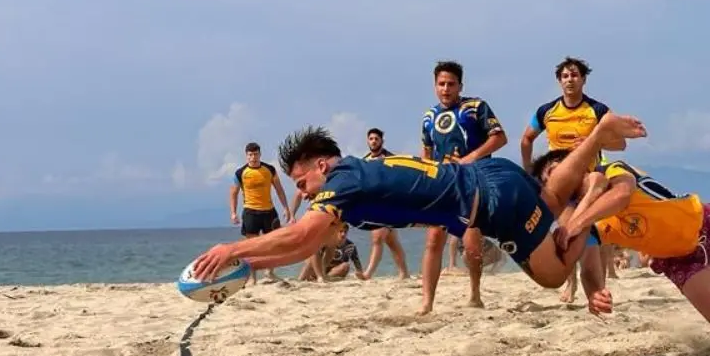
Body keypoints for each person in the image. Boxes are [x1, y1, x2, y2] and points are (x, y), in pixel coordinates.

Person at [189, 115, 648, 313]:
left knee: (549, 274)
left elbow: (301, 238)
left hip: (488, 204)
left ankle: (588, 213)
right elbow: (306, 243)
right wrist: (247, 262)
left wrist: (233, 248)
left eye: (302, 181)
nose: (304, 192)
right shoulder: (356, 171)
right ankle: (594, 141)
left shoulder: (342, 183)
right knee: (547, 202)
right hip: (496, 177)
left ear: (321, 166)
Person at [531, 150, 710, 336]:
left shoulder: (611, 169)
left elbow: (620, 196)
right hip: (678, 258)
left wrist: (576, 221)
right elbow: (590, 268)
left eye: (558, 168)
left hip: (708, 225)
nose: (557, 177)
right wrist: (594, 293)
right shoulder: (584, 222)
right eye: (549, 179)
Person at [520, 57, 628, 306]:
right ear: (559, 81)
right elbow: (526, 139)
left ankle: (596, 287)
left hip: (589, 182)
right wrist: (529, 171)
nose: (570, 80)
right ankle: (572, 282)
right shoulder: (547, 111)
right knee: (566, 229)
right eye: (565, 76)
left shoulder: (597, 110)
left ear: (583, 79)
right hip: (558, 182)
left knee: (591, 233)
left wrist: (595, 141)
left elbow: (620, 143)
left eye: (575, 75)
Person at [419, 60, 507, 314]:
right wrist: (426, 178)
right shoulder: (429, 117)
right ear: (435, 86)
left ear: (460, 85)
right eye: (441, 84)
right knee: (433, 240)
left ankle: (475, 293)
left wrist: (471, 158)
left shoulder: (475, 107)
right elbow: (427, 149)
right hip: (442, 183)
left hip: (473, 181)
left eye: (451, 84)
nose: (446, 89)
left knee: (471, 243)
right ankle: (427, 301)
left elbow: (500, 138)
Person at [229, 142, 292, 284]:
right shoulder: (240, 173)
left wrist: (286, 208)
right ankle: (252, 278)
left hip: (269, 211)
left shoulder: (269, 169)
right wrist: (233, 212)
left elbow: (279, 189)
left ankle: (269, 272)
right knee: (252, 247)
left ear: (260, 154)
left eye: (255, 154)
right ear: (246, 156)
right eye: (250, 155)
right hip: (251, 211)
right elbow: (233, 193)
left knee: (275, 243)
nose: (253, 157)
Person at [357, 127, 410, 281]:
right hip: (373, 204)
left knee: (377, 238)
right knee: (391, 241)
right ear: (367, 141)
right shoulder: (364, 161)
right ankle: (404, 272)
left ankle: (368, 273)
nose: (373, 141)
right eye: (371, 139)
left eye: (376, 139)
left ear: (382, 141)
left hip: (389, 203)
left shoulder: (391, 159)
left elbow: (400, 180)